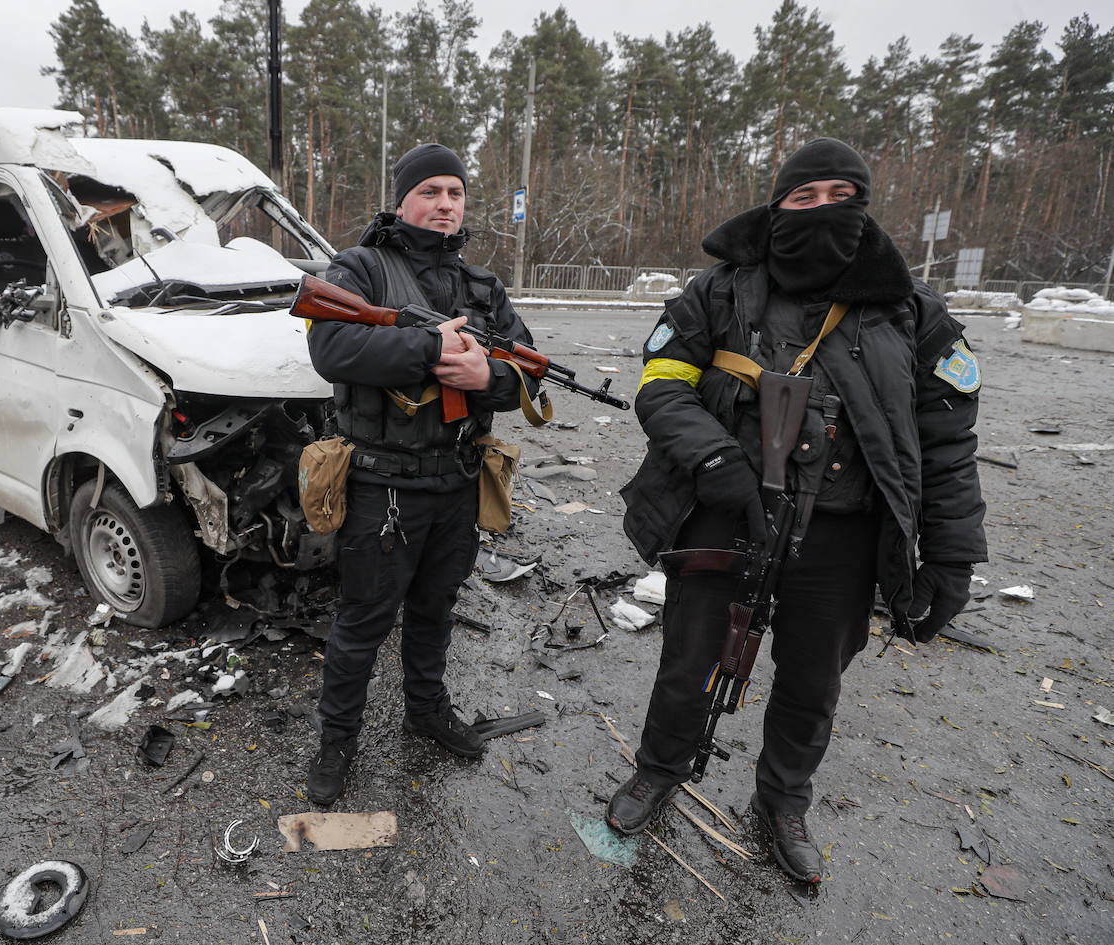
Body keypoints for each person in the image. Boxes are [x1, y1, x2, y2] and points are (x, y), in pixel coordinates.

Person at [610, 137, 986, 883]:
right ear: (775, 206)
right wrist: (715, 459)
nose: (822, 211)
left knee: (814, 682)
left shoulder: (912, 313)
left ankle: (782, 800)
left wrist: (952, 556)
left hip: (844, 533)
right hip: (728, 515)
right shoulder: (721, 291)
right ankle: (658, 768)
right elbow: (660, 383)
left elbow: (948, 445)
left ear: (863, 207)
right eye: (803, 198)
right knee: (689, 662)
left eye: (841, 198)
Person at [303, 143, 539, 805]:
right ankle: (337, 740)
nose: (444, 204)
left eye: (455, 193)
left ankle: (427, 711)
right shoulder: (362, 268)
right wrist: (431, 347)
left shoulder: (483, 287)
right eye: (430, 191)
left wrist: (486, 374)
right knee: (363, 622)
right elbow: (332, 346)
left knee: (436, 608)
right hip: (384, 487)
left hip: (457, 484)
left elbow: (522, 369)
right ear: (402, 199)